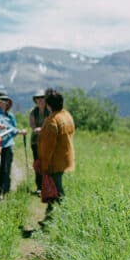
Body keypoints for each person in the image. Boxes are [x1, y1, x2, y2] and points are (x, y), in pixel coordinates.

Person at [37, 88, 75, 218]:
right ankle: (49, 218)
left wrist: (44, 165)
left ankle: (64, 218)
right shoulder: (67, 115)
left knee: (57, 191)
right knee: (54, 190)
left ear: (48, 105)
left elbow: (48, 148)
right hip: (66, 158)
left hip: (54, 162)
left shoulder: (52, 121)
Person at [0, 93, 26, 198]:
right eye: (2, 100)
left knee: (7, 169)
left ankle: (6, 192)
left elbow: (12, 128)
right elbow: (9, 128)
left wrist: (18, 131)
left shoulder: (10, 115)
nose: (4, 102)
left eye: (6, 100)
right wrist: (17, 131)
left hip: (8, 145)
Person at [29, 89, 50, 194]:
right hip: (35, 142)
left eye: (42, 98)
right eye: (38, 98)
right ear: (35, 100)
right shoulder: (33, 111)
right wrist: (36, 129)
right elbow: (32, 125)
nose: (40, 100)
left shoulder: (49, 111)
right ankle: (39, 187)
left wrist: (41, 129)